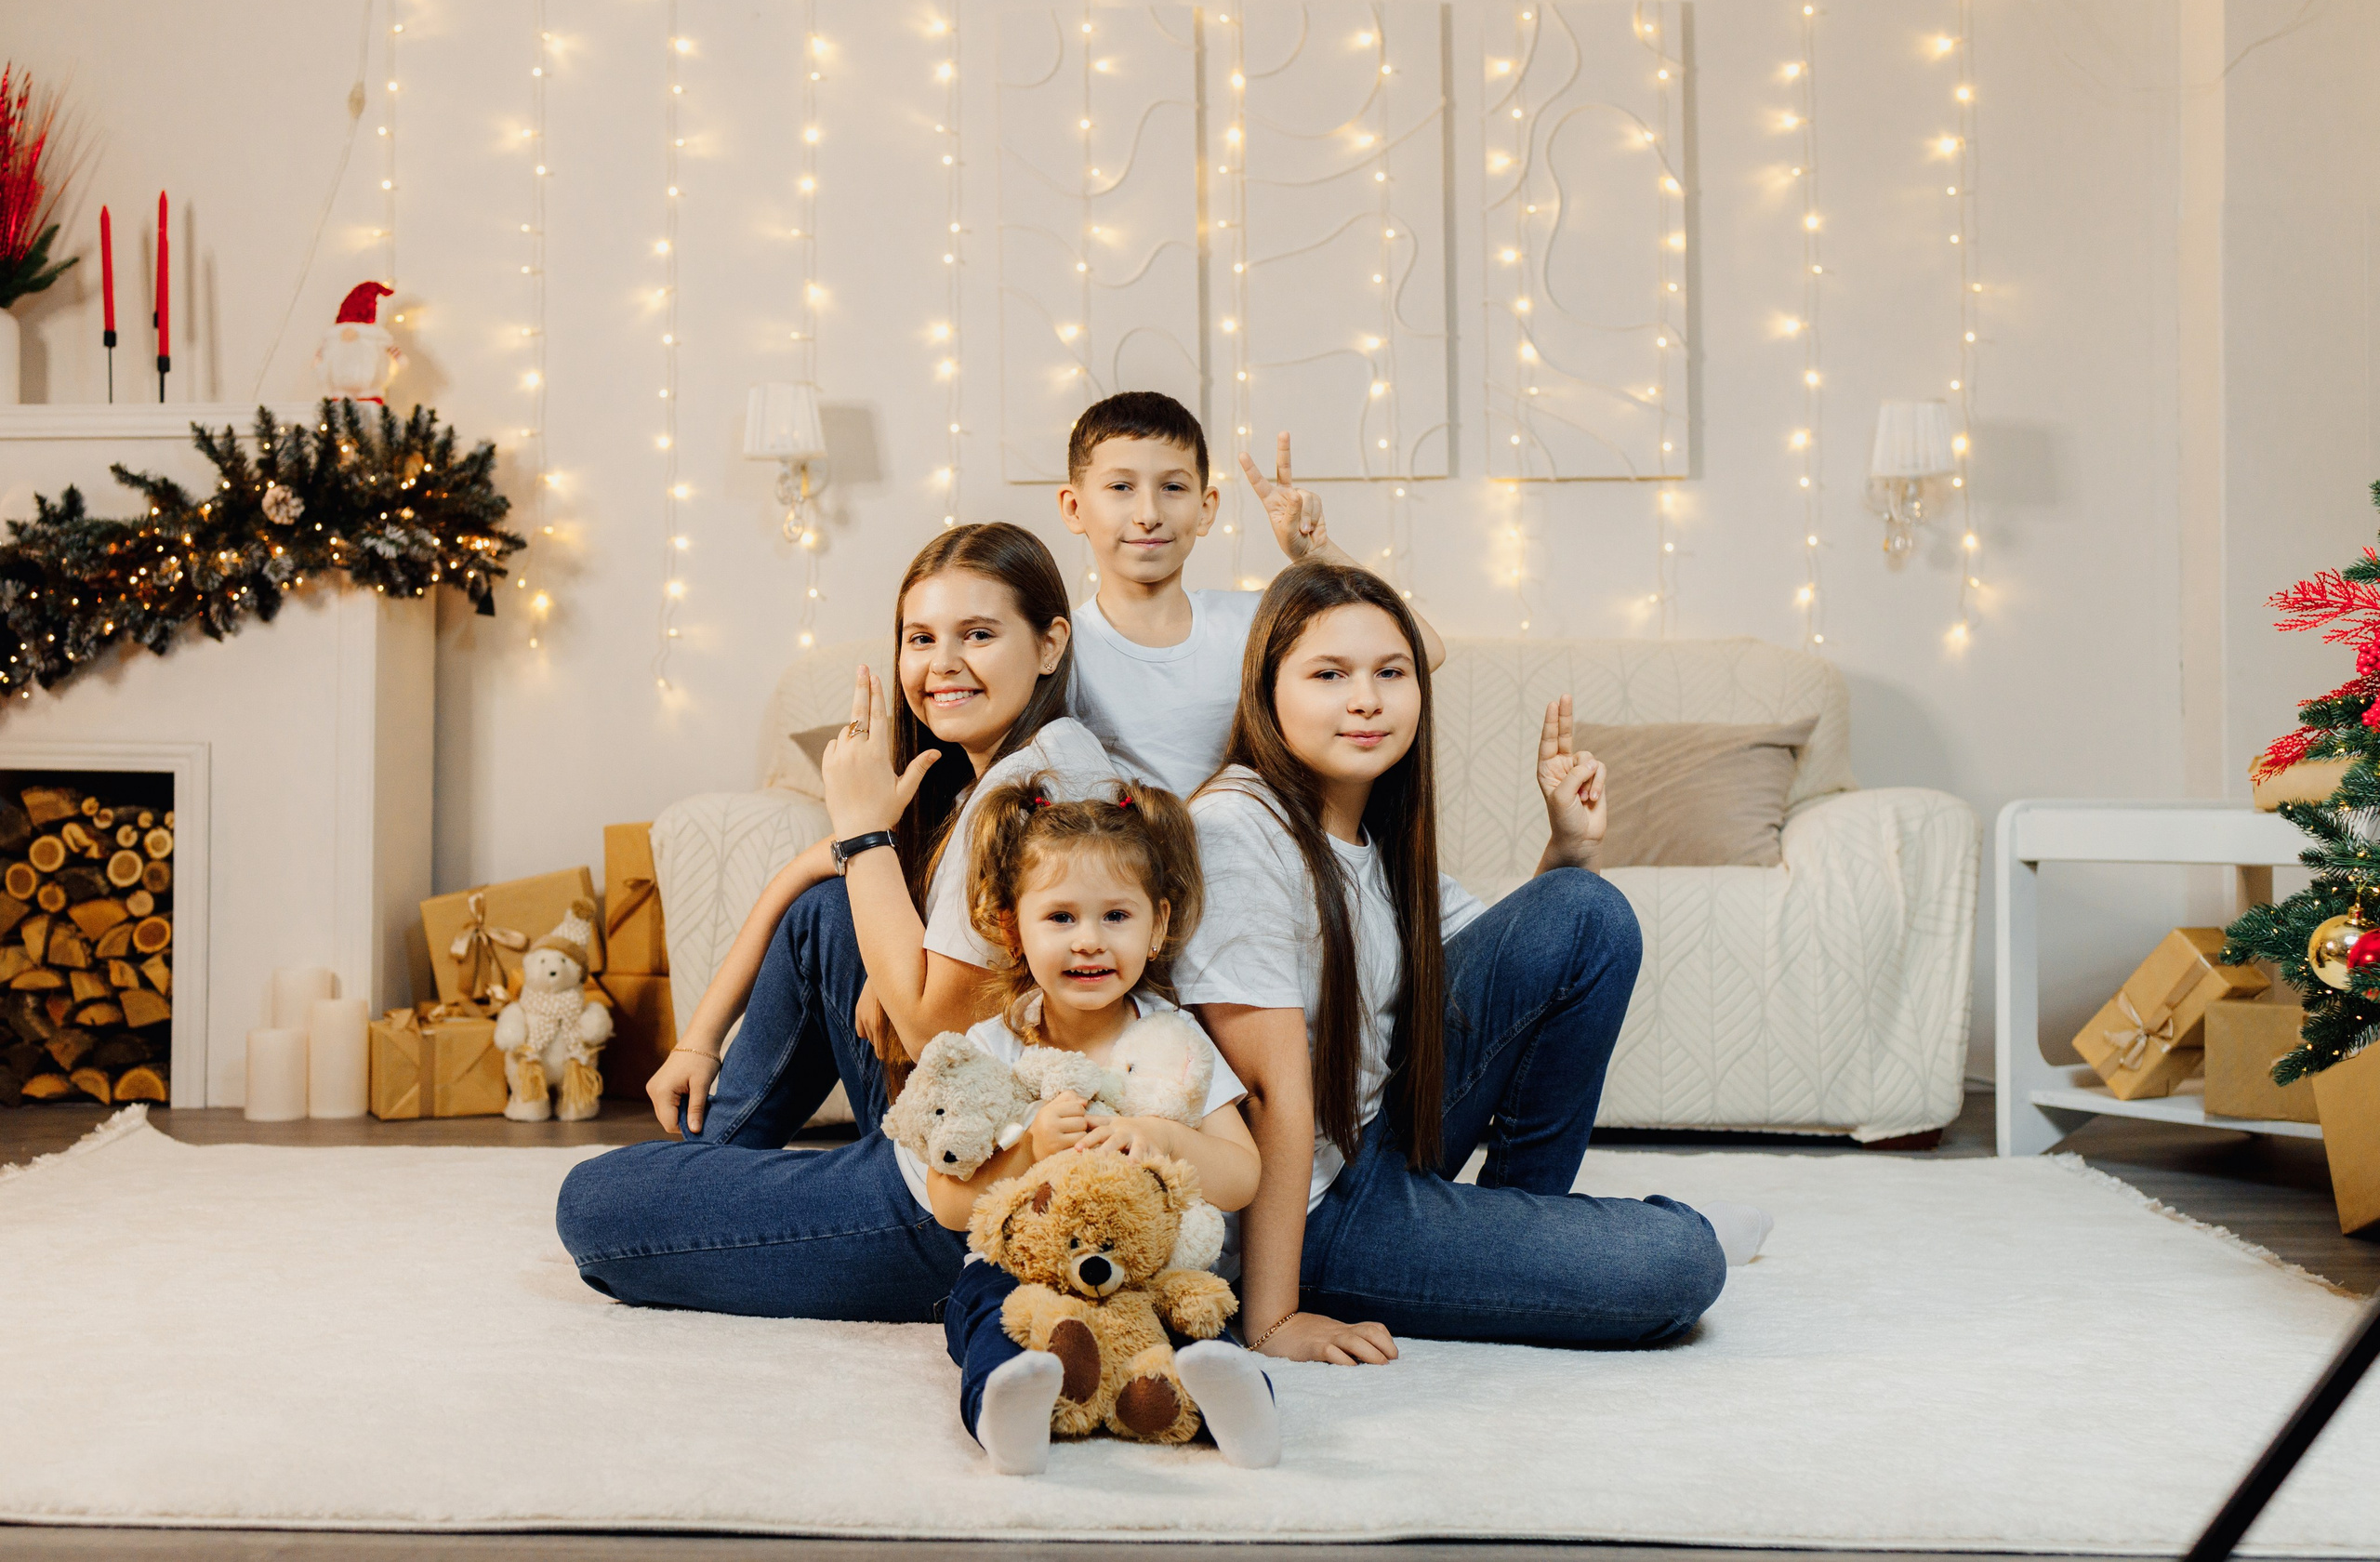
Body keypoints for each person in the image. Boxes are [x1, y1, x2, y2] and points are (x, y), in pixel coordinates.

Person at [1177, 559, 1770, 1367]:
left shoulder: (1375, 839)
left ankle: (1522, 1234)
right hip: (1310, 1210)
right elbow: (1275, 1093)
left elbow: (1527, 976)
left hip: (1376, 1143)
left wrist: (1569, 845)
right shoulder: (1236, 830)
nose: (1366, 700)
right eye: (1329, 675)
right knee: (1681, 1263)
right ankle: (1581, 1245)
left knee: (1587, 910)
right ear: (1267, 691)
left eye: (1391, 673)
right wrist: (1274, 1320)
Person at [553, 523, 1120, 1319]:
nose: (942, 663)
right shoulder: (1014, 768)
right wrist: (697, 1041)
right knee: (831, 914)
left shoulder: (1026, 793)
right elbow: (810, 885)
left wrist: (865, 834)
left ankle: (711, 1195)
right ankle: (713, 1179)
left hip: (974, 1199)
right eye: (920, 638)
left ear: (1051, 643)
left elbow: (930, 1035)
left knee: (595, 1203)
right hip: (960, 1114)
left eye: (979, 635)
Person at [919, 775, 1276, 1475]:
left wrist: (1166, 1138)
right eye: (1060, 918)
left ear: (1159, 924)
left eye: (1116, 916)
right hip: (1027, 1280)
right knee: (982, 1305)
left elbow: (1242, 1178)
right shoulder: (994, 1049)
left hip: (1150, 1276)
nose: (1089, 942)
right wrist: (1026, 1149)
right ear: (1008, 927)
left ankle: (1238, 1409)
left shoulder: (1175, 1046)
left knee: (1201, 1321)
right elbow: (948, 1201)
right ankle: (1008, 1408)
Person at [1059, 390, 1444, 801]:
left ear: (1206, 509)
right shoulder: (1061, 648)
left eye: (1173, 487)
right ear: (1074, 508)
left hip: (1258, 855)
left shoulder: (1254, 621)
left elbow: (1427, 650)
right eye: (1121, 486)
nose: (1149, 514)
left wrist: (1317, 555)